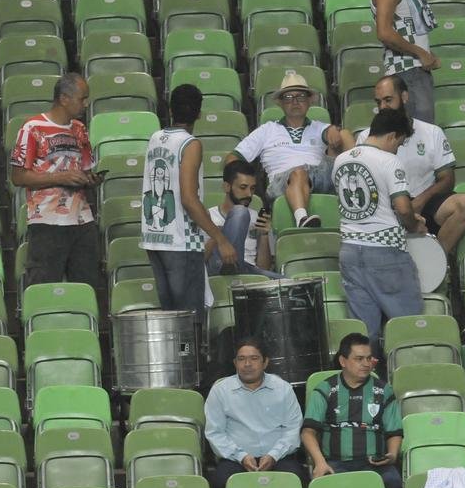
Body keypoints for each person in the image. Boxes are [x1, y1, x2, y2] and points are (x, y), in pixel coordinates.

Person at [142, 84, 237, 319]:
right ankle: (190, 356)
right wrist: (220, 239)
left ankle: (180, 356)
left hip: (155, 237)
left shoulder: (155, 138)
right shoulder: (190, 144)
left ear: (170, 109)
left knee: (172, 319)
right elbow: (188, 198)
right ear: (199, 113)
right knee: (190, 321)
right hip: (180, 241)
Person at [334, 107, 426, 343]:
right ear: (392, 136)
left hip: (350, 250)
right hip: (385, 253)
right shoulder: (389, 161)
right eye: (399, 143)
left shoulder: (341, 160)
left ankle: (369, 376)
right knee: (408, 328)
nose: (398, 148)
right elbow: (403, 208)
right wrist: (414, 225)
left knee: (364, 336)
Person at [356, 75, 465, 254]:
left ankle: (434, 262)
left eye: (388, 100)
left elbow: (447, 180)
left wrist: (420, 200)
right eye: (378, 102)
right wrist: (400, 207)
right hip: (387, 207)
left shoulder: (432, 132)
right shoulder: (367, 137)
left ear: (404, 97)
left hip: (424, 201)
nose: (382, 107)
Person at [10, 73, 101, 289]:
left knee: (86, 286)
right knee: (44, 287)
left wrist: (90, 179)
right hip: (47, 221)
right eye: (82, 98)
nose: (86, 104)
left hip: (82, 219)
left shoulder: (79, 129)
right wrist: (60, 177)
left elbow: (86, 169)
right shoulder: (32, 128)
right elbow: (18, 176)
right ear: (64, 98)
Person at [229, 73, 354, 229]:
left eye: (301, 96)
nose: (295, 102)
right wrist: (245, 182)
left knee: (344, 134)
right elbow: (233, 158)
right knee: (299, 172)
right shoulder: (267, 130)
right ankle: (302, 219)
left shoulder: (319, 127)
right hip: (282, 181)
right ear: (280, 103)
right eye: (288, 97)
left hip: (319, 175)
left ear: (309, 101)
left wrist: (334, 130)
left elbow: (336, 138)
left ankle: (358, 184)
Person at [302, 333, 405, 488]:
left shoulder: (384, 390)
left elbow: (394, 431)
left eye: (369, 358)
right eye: (359, 359)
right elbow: (307, 432)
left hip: (376, 464)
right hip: (336, 463)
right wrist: (320, 463)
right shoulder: (325, 389)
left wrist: (392, 456)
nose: (366, 364)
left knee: (393, 483)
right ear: (343, 361)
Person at [205, 337, 305, 488]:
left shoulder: (283, 389)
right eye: (241, 359)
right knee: (222, 482)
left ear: (265, 362)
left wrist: (273, 455)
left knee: (296, 480)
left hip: (279, 457)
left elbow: (292, 429)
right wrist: (241, 456)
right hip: (236, 459)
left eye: (254, 358)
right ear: (235, 363)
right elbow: (215, 433)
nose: (247, 364)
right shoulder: (220, 391)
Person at [372, 0, 440, 124]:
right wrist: (419, 52)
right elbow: (384, 32)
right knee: (416, 136)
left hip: (414, 70)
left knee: (421, 135)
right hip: (407, 72)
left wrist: (426, 54)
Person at [206, 160, 278, 278]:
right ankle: (230, 266)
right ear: (227, 187)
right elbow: (199, 262)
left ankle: (236, 269)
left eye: (253, 188)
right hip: (217, 270)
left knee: (292, 283)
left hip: (247, 271)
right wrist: (217, 237)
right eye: (243, 187)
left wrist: (264, 235)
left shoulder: (257, 219)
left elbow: (263, 267)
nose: (249, 194)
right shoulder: (208, 217)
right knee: (240, 212)